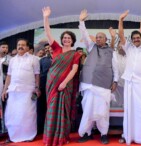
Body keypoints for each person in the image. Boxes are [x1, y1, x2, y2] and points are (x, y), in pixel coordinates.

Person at [77, 9, 118, 144]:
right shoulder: (91, 47)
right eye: (97, 37)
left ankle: (103, 134)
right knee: (87, 110)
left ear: (106, 39)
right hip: (89, 83)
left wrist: (115, 81)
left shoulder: (112, 51)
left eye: (101, 37)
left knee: (103, 111)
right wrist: (81, 21)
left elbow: (115, 67)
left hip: (104, 85)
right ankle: (86, 133)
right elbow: (84, 33)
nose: (99, 38)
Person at [42, 6, 81, 146]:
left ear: (73, 40)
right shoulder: (56, 48)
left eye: (69, 38)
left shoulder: (76, 54)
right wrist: (46, 17)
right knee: (52, 108)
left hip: (65, 85)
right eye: (64, 38)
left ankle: (60, 138)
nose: (66, 40)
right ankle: (49, 139)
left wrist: (64, 82)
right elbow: (47, 32)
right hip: (51, 84)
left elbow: (74, 70)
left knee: (63, 111)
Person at [118, 10, 141, 145]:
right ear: (132, 40)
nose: (136, 40)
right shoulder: (129, 48)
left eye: (138, 38)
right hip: (129, 82)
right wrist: (120, 20)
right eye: (133, 38)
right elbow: (121, 35)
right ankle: (128, 135)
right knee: (129, 109)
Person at [2, 38, 40, 143]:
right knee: (12, 114)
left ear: (28, 47)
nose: (20, 46)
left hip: (28, 91)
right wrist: (4, 90)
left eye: (23, 45)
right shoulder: (12, 60)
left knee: (27, 115)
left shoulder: (34, 59)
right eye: (19, 44)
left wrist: (37, 88)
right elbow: (9, 76)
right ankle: (13, 136)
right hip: (14, 91)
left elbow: (37, 75)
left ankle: (28, 136)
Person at [37, 46, 53, 134]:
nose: (48, 49)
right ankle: (40, 129)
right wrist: (38, 86)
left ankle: (51, 129)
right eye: (46, 48)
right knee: (41, 109)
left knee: (51, 109)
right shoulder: (42, 60)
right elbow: (37, 74)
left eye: (49, 48)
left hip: (55, 87)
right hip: (43, 87)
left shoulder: (59, 58)